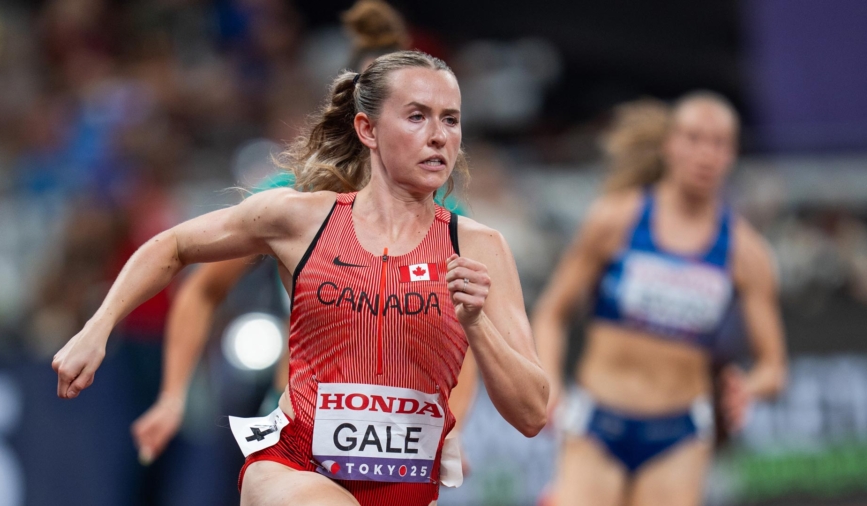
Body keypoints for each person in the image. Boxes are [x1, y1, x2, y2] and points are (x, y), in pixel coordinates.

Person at [52, 50, 548, 506]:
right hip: (292, 466)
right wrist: (98, 328)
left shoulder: (479, 247)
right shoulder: (300, 218)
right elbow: (175, 246)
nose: (439, 135)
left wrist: (477, 324)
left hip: (405, 489)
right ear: (367, 129)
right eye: (417, 116)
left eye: (451, 119)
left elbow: (532, 413)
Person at [129, 0, 477, 468]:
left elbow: (468, 335)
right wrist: (173, 395)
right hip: (297, 410)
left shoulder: (448, 219)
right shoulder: (290, 197)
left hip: (399, 430)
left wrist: (454, 429)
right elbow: (204, 287)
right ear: (360, 115)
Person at [533, 93, 787, 506]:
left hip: (679, 436)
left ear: (733, 154)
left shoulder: (747, 252)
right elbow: (551, 312)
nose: (706, 154)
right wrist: (549, 384)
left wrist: (748, 387)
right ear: (670, 144)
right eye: (694, 138)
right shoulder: (616, 218)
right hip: (598, 425)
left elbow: (774, 368)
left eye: (719, 143)